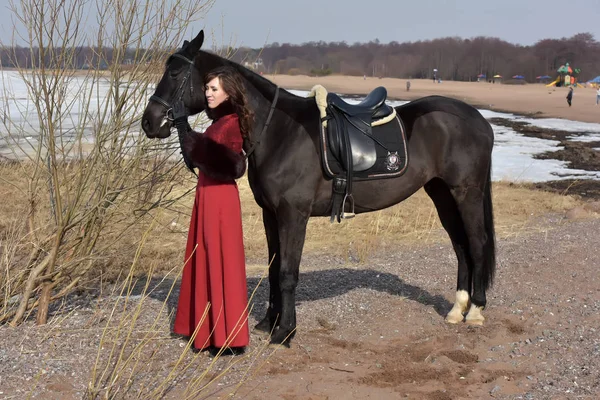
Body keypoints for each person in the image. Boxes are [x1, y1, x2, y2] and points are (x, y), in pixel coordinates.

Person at [171, 66, 251, 354]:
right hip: (207, 195)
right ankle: (207, 331)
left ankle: (227, 338)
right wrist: (184, 130)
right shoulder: (217, 124)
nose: (208, 93)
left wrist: (187, 131)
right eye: (207, 89)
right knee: (205, 256)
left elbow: (231, 165)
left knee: (222, 261)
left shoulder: (231, 122)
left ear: (228, 92)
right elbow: (198, 159)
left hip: (220, 199)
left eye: (214, 89)